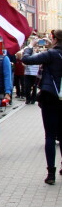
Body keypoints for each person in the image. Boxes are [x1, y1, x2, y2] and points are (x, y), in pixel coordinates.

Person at [19, 31, 62, 184]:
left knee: (50, 136)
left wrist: (30, 45)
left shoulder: (50, 54)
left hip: (50, 96)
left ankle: (51, 173)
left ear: (55, 39)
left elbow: (26, 59)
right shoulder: (52, 53)